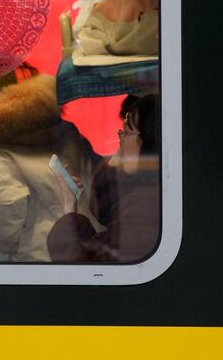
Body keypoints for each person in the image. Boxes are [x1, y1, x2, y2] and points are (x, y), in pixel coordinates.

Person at [0, 74, 101, 262]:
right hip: (93, 247)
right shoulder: (60, 129)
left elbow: (4, 224)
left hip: (45, 259)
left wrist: (18, 244)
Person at [46, 94, 161, 263]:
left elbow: (88, 265)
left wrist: (69, 211)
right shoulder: (151, 193)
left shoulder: (144, 207)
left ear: (150, 140)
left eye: (127, 131)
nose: (120, 140)